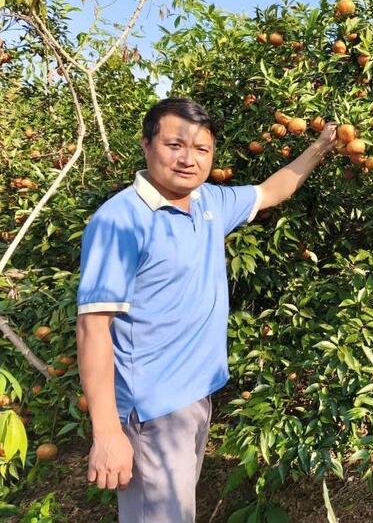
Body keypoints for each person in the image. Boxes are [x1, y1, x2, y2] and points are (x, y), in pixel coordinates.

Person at [75, 97, 336, 522]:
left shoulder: (209, 201)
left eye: (201, 149)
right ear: (146, 145)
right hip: (153, 411)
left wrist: (321, 146)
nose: (188, 159)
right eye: (174, 145)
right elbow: (93, 329)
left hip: (195, 396)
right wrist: (106, 432)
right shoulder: (120, 221)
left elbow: (273, 191)